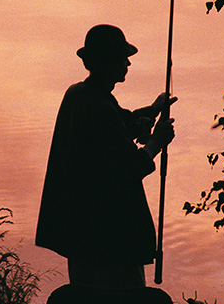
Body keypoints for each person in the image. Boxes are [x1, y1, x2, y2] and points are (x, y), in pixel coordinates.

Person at [35, 24, 176, 289]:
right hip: (108, 244)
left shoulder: (81, 95)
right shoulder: (97, 106)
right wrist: (156, 142)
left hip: (84, 237)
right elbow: (128, 170)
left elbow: (118, 124)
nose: (128, 63)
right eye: (122, 57)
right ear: (108, 62)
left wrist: (154, 110)